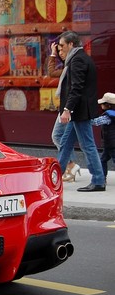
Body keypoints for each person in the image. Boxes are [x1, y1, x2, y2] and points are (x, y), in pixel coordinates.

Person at [56, 31, 105, 192]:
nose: (59, 49)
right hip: (79, 111)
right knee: (65, 143)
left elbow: (76, 88)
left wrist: (67, 110)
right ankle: (56, 176)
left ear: (71, 44)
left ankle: (98, 180)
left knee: (87, 145)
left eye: (62, 45)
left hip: (79, 111)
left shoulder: (77, 61)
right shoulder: (80, 58)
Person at [48, 41, 80, 182]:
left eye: (62, 49)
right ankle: (71, 165)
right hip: (67, 106)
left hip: (69, 107)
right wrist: (54, 54)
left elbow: (52, 72)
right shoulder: (69, 65)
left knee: (58, 135)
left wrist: (53, 55)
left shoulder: (72, 66)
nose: (60, 53)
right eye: (58, 50)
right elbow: (52, 72)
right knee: (63, 137)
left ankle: (71, 164)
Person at [94, 92, 115, 184]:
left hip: (111, 143)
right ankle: (102, 177)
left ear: (108, 105)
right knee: (103, 159)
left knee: (104, 160)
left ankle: (102, 178)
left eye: (103, 103)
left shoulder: (108, 116)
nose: (101, 105)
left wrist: (86, 119)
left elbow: (96, 122)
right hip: (110, 143)